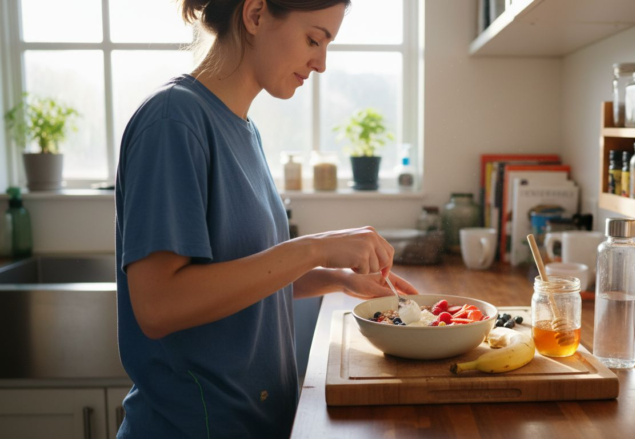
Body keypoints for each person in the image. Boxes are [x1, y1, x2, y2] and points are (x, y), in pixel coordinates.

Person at [114, 0, 419, 437]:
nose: (322, 63)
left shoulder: (244, 129)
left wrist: (336, 278)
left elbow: (239, 276)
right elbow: (160, 305)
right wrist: (313, 248)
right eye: (313, 39)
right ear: (255, 14)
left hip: (257, 423)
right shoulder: (173, 121)